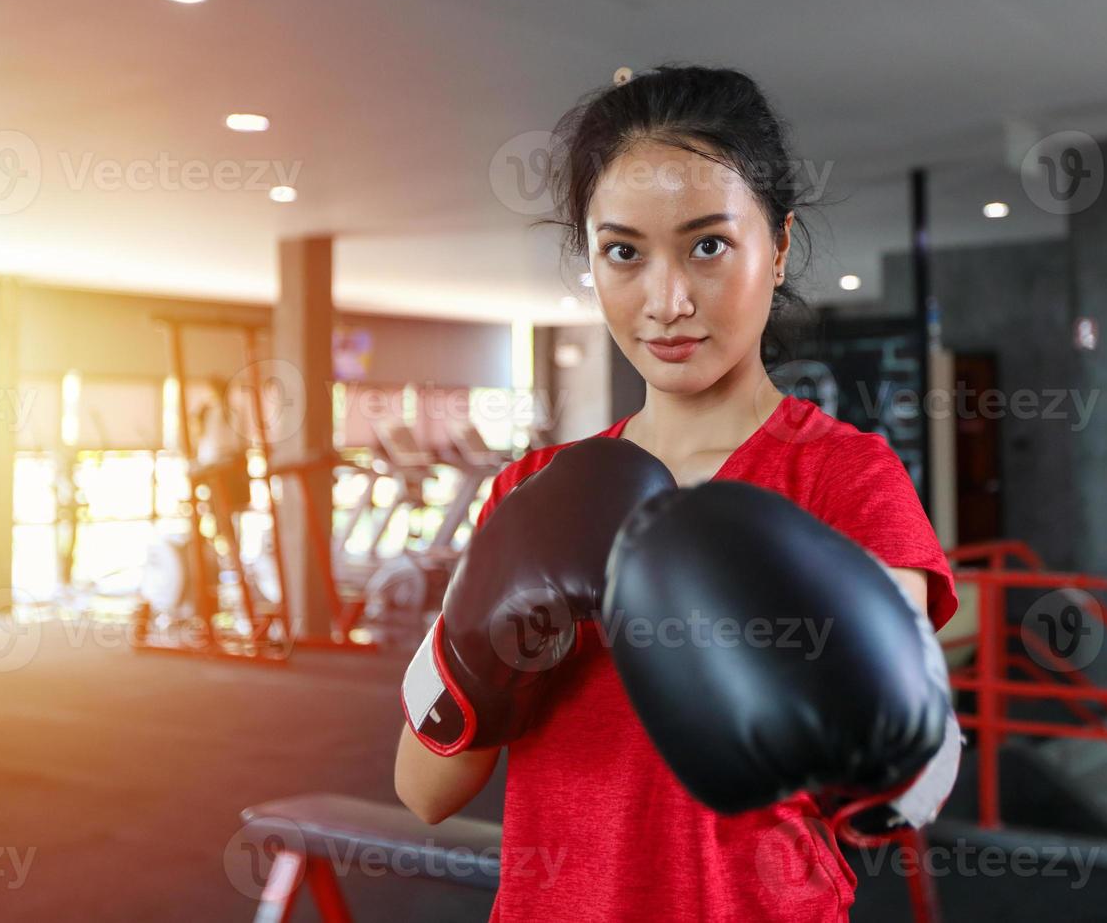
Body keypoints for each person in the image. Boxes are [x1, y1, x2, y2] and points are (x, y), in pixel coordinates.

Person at [393, 64, 957, 922]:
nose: (666, 301)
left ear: (780, 247)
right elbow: (423, 789)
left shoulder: (844, 476)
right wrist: (479, 653)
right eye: (624, 252)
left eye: (708, 244)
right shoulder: (534, 487)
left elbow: (907, 791)